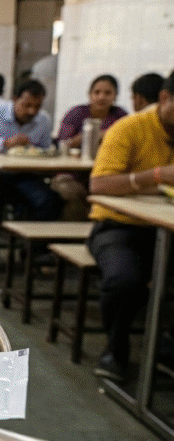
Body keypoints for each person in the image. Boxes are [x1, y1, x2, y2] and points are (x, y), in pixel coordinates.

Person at [86, 70, 174, 382]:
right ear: (164, 98)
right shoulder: (129, 128)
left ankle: (166, 344)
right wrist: (156, 176)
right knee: (124, 280)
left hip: (166, 229)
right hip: (118, 226)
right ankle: (116, 348)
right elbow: (98, 184)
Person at [0, 79, 62, 221]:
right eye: (27, 105)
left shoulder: (43, 120)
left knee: (47, 200)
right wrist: (4, 143)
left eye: (37, 106)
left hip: (24, 175)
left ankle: (32, 241)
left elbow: (45, 149)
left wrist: (37, 151)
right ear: (14, 99)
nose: (32, 111)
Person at [57, 74, 128, 150]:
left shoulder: (121, 117)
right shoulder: (75, 114)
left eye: (107, 93)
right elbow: (61, 144)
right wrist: (89, 137)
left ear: (115, 96)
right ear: (90, 94)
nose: (101, 97)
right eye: (97, 92)